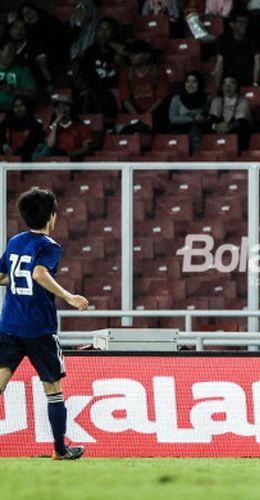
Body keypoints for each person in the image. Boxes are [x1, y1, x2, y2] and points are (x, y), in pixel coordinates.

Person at [0, 188, 89, 461]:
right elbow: (38, 273)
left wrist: (17, 281)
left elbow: (3, 276)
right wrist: (68, 295)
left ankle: (60, 450)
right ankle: (60, 450)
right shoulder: (49, 246)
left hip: (9, 326)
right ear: (52, 216)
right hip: (39, 329)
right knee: (53, 389)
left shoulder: (15, 241)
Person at [118, 40, 169, 132]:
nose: (132, 57)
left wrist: (146, 115)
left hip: (154, 111)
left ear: (147, 55)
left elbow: (161, 98)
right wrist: (137, 116)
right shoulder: (126, 73)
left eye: (136, 54)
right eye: (131, 54)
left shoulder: (158, 71)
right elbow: (125, 99)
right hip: (133, 111)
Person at [214, 9, 260, 87]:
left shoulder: (255, 39)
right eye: (240, 22)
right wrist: (217, 87)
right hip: (229, 78)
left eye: (246, 22)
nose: (244, 25)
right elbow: (219, 64)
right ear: (232, 24)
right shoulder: (222, 39)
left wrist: (255, 84)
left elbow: (257, 63)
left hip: (248, 77)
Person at [168, 71, 211, 152]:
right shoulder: (176, 99)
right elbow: (173, 118)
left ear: (200, 84)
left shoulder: (208, 99)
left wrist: (203, 119)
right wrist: (192, 119)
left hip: (202, 130)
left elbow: (211, 116)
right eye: (188, 81)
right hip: (180, 131)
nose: (190, 85)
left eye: (194, 82)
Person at [45, 93, 94, 161]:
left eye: (64, 106)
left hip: (75, 160)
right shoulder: (51, 128)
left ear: (70, 108)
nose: (60, 109)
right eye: (58, 107)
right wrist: (56, 123)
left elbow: (86, 148)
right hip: (57, 161)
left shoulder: (81, 127)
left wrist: (71, 154)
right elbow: (50, 144)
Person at [208, 74, 252, 151]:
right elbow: (212, 119)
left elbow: (242, 121)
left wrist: (229, 126)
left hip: (238, 134)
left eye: (232, 83)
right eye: (225, 84)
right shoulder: (217, 101)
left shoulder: (243, 101)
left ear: (237, 86)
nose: (227, 87)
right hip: (219, 132)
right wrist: (216, 126)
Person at [0, 95, 43, 162]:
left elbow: (35, 143)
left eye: (21, 106)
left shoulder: (35, 125)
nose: (18, 109)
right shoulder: (6, 122)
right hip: (7, 155)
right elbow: (1, 137)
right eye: (16, 106)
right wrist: (4, 144)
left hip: (26, 157)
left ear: (27, 107)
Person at [0, 38, 36, 112]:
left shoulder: (22, 71)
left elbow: (32, 94)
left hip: (14, 111)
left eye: (14, 51)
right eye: (10, 51)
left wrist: (14, 90)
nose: (13, 54)